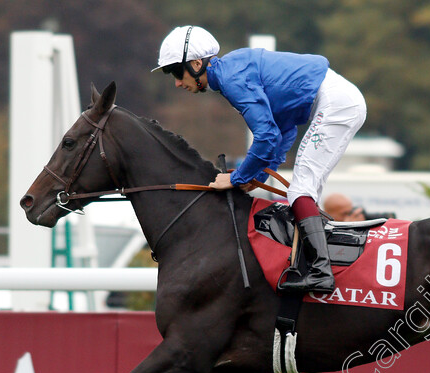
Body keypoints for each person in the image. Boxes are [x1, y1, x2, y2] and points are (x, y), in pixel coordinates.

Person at [154, 26, 367, 294]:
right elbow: (281, 129)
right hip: (338, 100)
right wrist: (261, 173)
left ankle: (321, 273)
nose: (175, 82)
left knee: (301, 191)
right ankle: (315, 266)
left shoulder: (232, 78)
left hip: (336, 103)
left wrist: (237, 177)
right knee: (304, 192)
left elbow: (266, 135)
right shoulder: (232, 71)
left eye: (175, 71)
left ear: (197, 64)